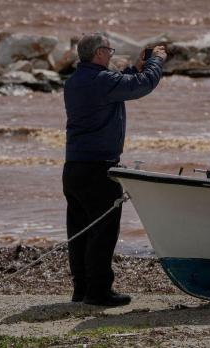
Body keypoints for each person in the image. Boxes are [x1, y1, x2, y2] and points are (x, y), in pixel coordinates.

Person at [62, 32, 167, 306]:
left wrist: (136, 67)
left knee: (80, 231)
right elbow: (143, 86)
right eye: (109, 49)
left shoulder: (75, 82)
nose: (111, 53)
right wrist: (156, 61)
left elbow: (126, 82)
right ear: (98, 53)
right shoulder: (102, 81)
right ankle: (97, 292)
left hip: (73, 167)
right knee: (103, 232)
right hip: (98, 169)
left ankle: (82, 289)